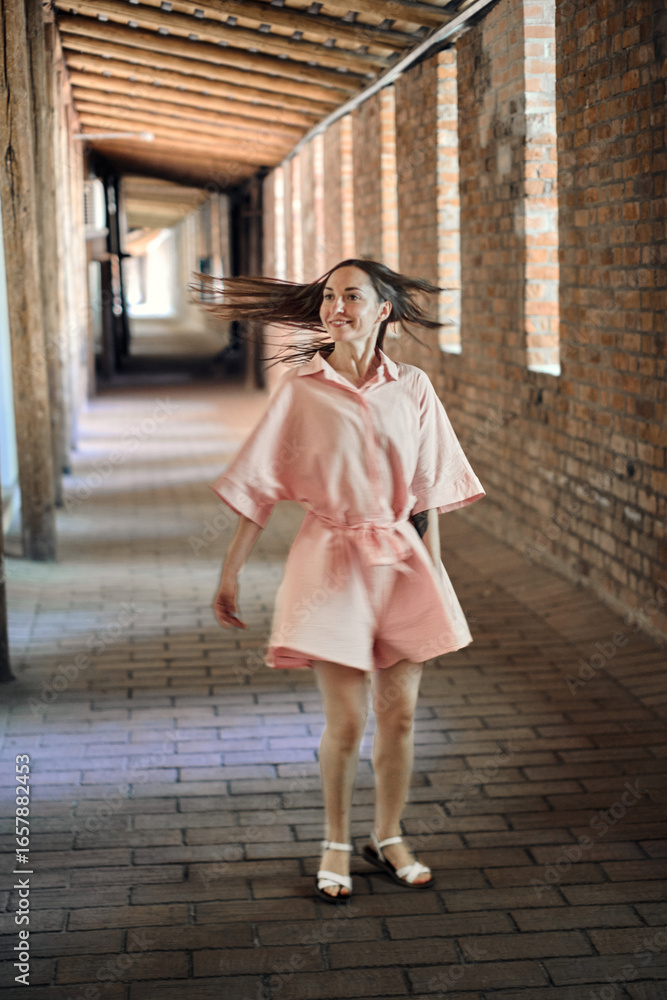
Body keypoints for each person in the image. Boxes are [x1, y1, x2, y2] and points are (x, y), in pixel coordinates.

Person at [206, 259, 485, 903]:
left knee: (402, 714)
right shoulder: (303, 391)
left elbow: (427, 493)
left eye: (351, 297)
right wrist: (230, 573)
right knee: (347, 719)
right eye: (330, 297)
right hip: (329, 563)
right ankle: (334, 841)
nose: (337, 307)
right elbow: (261, 484)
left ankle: (388, 836)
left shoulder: (413, 386)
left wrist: (436, 575)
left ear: (382, 309)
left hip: (402, 560)